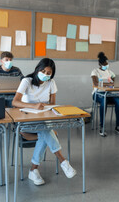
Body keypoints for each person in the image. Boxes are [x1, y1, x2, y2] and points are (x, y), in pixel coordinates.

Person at [12, 58, 76, 186]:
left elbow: (52, 104)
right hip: (25, 122)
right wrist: (34, 106)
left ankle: (33, 170)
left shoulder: (51, 83)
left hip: (42, 120)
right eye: (43, 71)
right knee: (46, 131)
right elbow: (15, 102)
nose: (46, 74)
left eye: (49, 72)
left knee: (44, 133)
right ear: (37, 69)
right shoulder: (27, 81)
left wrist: (45, 108)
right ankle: (62, 160)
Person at [91, 52, 119, 137]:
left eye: (107, 63)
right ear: (100, 64)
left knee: (118, 101)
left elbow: (117, 81)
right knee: (104, 101)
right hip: (98, 93)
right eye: (104, 64)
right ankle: (102, 127)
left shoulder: (110, 72)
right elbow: (95, 83)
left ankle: (118, 126)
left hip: (109, 93)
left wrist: (115, 83)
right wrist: (109, 84)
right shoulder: (95, 71)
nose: (106, 65)